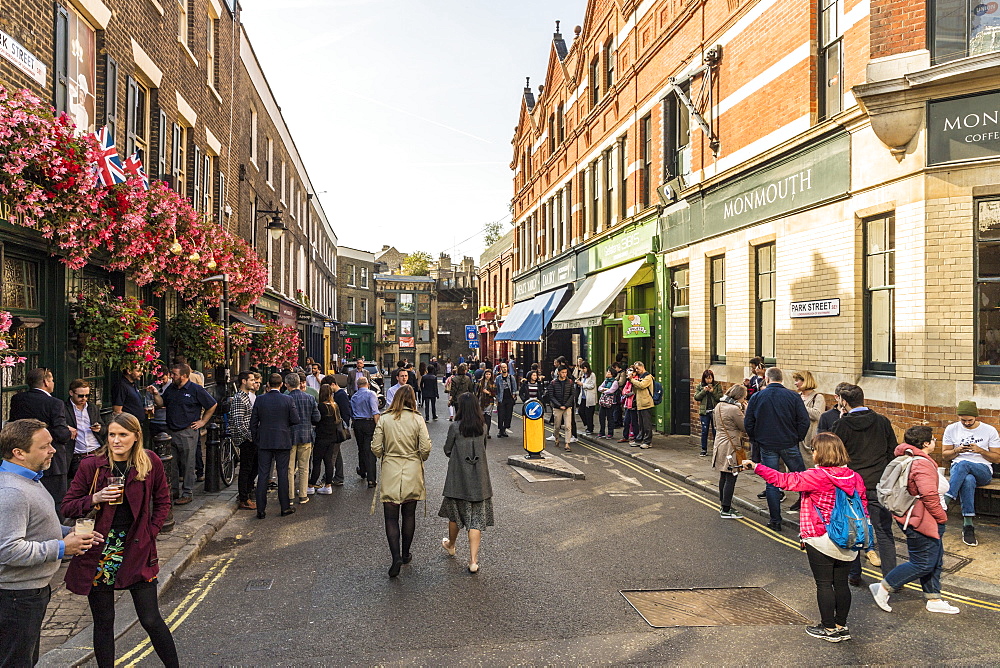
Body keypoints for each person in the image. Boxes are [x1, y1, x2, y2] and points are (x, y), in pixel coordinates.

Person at [62, 413, 178, 667]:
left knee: (150, 618)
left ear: (136, 436)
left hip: (137, 546)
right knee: (104, 621)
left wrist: (152, 531)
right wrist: (95, 498)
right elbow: (68, 507)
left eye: (123, 435)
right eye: (112, 434)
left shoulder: (150, 462)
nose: (116, 440)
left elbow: (163, 501)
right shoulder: (92, 465)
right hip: (101, 549)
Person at [743, 433, 868, 643]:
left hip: (821, 537)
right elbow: (863, 504)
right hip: (848, 537)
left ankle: (828, 628)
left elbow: (784, 480)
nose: (813, 453)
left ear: (822, 453)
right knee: (841, 584)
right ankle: (841, 626)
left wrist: (756, 467)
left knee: (824, 583)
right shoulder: (854, 477)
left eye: (815, 449)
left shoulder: (817, 476)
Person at [0, 419, 98, 667]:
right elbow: (8, 550)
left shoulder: (29, 479)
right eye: (45, 446)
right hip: (17, 598)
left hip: (29, 592)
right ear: (19, 453)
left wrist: (69, 531)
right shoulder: (12, 492)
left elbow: (35, 527)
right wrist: (64, 547)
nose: (53, 450)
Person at [869, 426, 960, 615]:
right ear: (926, 443)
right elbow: (928, 494)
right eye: (933, 439)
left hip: (919, 516)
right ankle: (884, 588)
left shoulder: (911, 457)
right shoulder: (922, 464)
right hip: (923, 519)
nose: (935, 441)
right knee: (923, 562)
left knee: (934, 560)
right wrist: (941, 517)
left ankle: (933, 598)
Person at [831, 383, 898, 582]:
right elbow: (892, 451)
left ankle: (854, 574)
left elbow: (834, 458)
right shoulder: (882, 421)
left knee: (852, 530)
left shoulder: (841, 425)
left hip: (851, 487)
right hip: (878, 485)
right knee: (884, 532)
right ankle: (892, 579)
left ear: (843, 402)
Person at [371, 385, 431, 577]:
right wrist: (419, 456)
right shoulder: (417, 419)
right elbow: (425, 449)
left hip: (390, 468)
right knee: (409, 514)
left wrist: (385, 455)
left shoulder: (385, 419)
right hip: (412, 468)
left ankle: (395, 556)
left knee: (390, 516)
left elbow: (376, 447)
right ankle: (405, 554)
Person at [744, 367, 810, 532]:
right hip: (789, 443)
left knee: (772, 482)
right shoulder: (793, 396)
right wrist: (797, 438)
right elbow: (804, 421)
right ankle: (809, 517)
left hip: (767, 445)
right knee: (803, 479)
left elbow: (748, 423)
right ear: (782, 379)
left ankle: (775, 521)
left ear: (766, 379)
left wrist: (756, 439)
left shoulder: (757, 397)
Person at [9, 367, 76, 515]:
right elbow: (61, 434)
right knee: (55, 503)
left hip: (23, 458)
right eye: (51, 380)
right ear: (45, 382)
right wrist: (67, 431)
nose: (53, 383)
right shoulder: (55, 403)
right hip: (52, 463)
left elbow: (15, 425)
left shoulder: (17, 399)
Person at [440, 393, 494, 574]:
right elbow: (483, 448)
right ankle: (473, 561)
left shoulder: (455, 427)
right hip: (479, 480)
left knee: (455, 514)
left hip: (458, 478)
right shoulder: (483, 427)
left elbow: (447, 449)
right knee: (476, 519)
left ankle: (451, 544)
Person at [148, 364, 216, 505]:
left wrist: (203, 422)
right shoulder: (171, 389)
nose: (172, 376)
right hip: (170, 431)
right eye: (172, 374)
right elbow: (162, 404)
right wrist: (155, 394)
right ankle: (173, 490)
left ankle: (187, 492)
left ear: (184, 376)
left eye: (175, 374)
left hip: (187, 431)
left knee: (187, 463)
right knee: (171, 464)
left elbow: (212, 404)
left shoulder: (195, 389)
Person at [942, 400, 1000, 547]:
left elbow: (997, 458)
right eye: (963, 420)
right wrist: (957, 450)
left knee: (964, 464)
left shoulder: (989, 430)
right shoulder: (951, 429)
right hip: (959, 471)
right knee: (967, 479)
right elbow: (945, 456)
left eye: (970, 420)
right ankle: (968, 526)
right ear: (958, 417)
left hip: (983, 470)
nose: (967, 423)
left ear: (976, 417)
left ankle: (944, 502)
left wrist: (980, 450)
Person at [251, 373, 300, 518]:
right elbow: (295, 419)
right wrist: (284, 426)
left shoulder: (260, 399)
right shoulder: (287, 399)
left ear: (268, 385)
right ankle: (285, 507)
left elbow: (253, 423)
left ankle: (260, 510)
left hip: (264, 440)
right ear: (282, 385)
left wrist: (256, 439)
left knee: (263, 474)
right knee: (282, 474)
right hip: (282, 440)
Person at [713, 385, 748, 519]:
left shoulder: (719, 405)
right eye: (744, 397)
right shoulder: (734, 409)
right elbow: (745, 427)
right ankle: (726, 509)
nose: (744, 399)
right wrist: (745, 408)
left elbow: (716, 425)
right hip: (731, 445)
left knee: (724, 475)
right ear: (739, 396)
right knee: (732, 476)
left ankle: (723, 504)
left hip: (720, 443)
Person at [286, 373, 320, 505]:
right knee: (304, 467)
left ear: (288, 384)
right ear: (300, 383)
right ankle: (303, 495)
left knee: (289, 468)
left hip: (290, 437)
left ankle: (289, 497)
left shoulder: (286, 399)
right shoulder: (310, 398)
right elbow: (317, 418)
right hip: (306, 435)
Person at [309, 385, 347, 495]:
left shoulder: (321, 406)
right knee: (328, 462)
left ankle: (311, 485)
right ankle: (328, 485)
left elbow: (316, 420)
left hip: (321, 438)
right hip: (332, 438)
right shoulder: (335, 406)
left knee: (316, 462)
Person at [65, 379, 106, 482]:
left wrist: (99, 428)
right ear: (71, 393)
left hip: (97, 452)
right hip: (78, 457)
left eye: (87, 396)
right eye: (80, 396)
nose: (84, 399)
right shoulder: (64, 408)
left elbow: (104, 428)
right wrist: (66, 427)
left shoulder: (92, 408)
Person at [230, 371, 259, 510]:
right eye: (251, 380)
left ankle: (247, 491)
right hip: (245, 439)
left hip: (251, 437)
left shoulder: (247, 396)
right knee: (246, 468)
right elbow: (238, 422)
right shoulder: (239, 399)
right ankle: (243, 498)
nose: (254, 382)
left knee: (254, 466)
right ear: (243, 381)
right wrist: (250, 437)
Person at [350, 377, 380, 488]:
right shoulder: (371, 394)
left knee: (361, 448)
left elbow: (352, 413)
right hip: (369, 423)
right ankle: (371, 479)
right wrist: (378, 427)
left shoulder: (354, 397)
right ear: (367, 384)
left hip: (358, 423)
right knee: (370, 450)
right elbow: (375, 412)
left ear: (358, 386)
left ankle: (362, 470)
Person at [794, 370, 825, 468]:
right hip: (795, 437)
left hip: (809, 437)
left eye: (797, 380)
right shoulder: (796, 396)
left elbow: (818, 415)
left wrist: (800, 406)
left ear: (805, 381)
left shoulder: (818, 397)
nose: (795, 383)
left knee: (810, 466)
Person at [544, 366, 576, 452]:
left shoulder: (570, 382)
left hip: (567, 407)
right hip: (557, 408)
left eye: (565, 372)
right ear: (558, 373)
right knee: (557, 426)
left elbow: (572, 395)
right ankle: (556, 438)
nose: (564, 374)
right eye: (563, 372)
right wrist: (559, 405)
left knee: (568, 426)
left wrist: (566, 405)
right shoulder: (553, 383)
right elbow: (551, 396)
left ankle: (567, 444)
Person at [694, 370, 723, 456]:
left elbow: (720, 398)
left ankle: (716, 449)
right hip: (704, 412)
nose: (709, 380)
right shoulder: (700, 386)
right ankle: (703, 449)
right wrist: (704, 391)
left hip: (714, 411)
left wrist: (713, 391)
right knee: (704, 431)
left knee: (715, 431)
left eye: (710, 378)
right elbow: (696, 397)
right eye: (707, 378)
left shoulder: (717, 386)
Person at [630, 361, 655, 449]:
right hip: (640, 403)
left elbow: (642, 385)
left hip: (646, 403)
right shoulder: (639, 377)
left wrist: (632, 380)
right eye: (635, 369)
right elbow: (636, 389)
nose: (637, 370)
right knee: (641, 424)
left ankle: (648, 442)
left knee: (647, 424)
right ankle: (639, 440)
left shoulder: (648, 377)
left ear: (642, 367)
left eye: (638, 368)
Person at [494, 363, 517, 438]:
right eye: (503, 367)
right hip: (501, 398)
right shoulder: (498, 378)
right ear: (500, 368)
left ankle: (505, 428)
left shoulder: (511, 377)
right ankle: (501, 430)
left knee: (508, 415)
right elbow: (496, 388)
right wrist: (497, 398)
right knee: (501, 415)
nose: (504, 369)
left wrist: (513, 395)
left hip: (509, 398)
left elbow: (514, 387)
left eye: (505, 367)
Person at [575, 361, 598, 436]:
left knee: (589, 414)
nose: (583, 370)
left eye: (583, 368)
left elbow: (592, 386)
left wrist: (582, 384)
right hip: (583, 397)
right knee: (581, 411)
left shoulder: (592, 375)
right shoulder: (583, 375)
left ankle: (590, 428)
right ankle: (587, 424)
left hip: (590, 397)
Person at [597, 368, 619, 439]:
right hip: (603, 401)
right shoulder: (606, 381)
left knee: (610, 417)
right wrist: (604, 389)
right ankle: (602, 432)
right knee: (601, 416)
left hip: (611, 402)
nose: (607, 373)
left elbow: (611, 390)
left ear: (612, 374)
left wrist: (604, 390)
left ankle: (610, 433)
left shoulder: (615, 382)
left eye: (609, 372)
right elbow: (599, 388)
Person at [477, 368, 496, 439]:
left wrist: (488, 393)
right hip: (480, 401)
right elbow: (477, 392)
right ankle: (481, 431)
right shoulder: (480, 382)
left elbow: (494, 393)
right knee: (481, 417)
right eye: (486, 374)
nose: (488, 376)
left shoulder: (492, 383)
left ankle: (487, 432)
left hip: (489, 402)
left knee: (488, 417)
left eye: (489, 374)